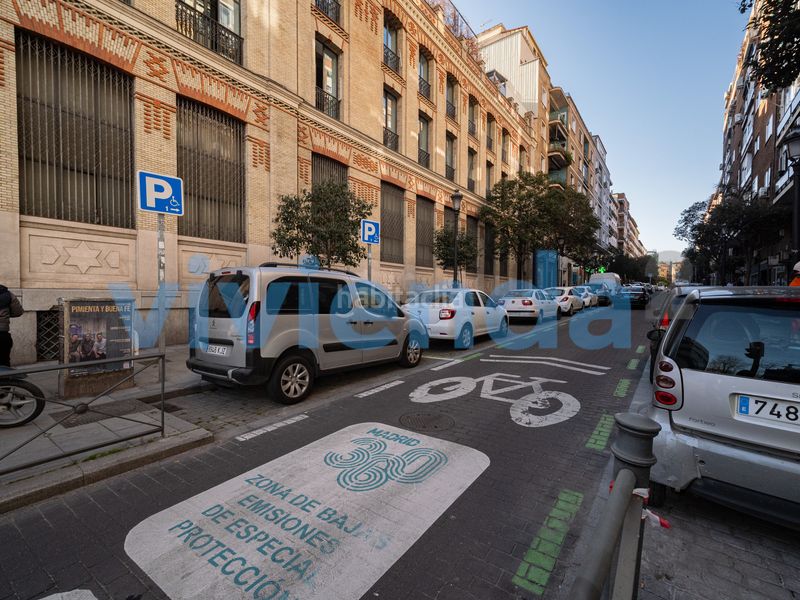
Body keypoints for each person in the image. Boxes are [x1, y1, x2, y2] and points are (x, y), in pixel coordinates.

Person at [0, 285, 24, 367]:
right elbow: (18, 312)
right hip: (2, 334)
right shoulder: (8, 294)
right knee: (4, 363)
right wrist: (6, 314)